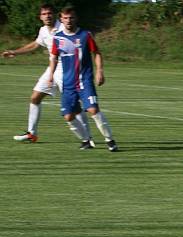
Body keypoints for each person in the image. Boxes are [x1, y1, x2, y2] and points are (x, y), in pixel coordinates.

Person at [2, 3, 92, 144]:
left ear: (55, 15)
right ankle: (32, 133)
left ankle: (88, 137)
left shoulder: (64, 27)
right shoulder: (43, 30)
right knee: (35, 97)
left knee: (74, 105)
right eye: (44, 14)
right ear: (40, 17)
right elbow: (35, 44)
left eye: (49, 13)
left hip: (67, 70)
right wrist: (15, 52)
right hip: (52, 69)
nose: (47, 16)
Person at [49, 6, 118, 151]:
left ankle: (110, 140)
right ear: (61, 19)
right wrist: (51, 75)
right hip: (67, 84)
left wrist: (99, 71)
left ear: (76, 18)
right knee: (68, 116)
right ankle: (86, 140)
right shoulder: (58, 38)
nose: (68, 20)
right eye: (65, 18)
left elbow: (96, 53)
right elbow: (54, 58)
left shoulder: (85, 35)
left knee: (93, 110)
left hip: (84, 81)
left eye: (71, 17)